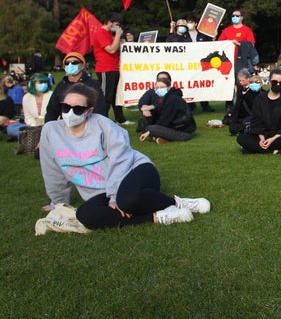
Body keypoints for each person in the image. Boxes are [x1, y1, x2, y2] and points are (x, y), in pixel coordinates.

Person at [39, 83, 210, 229]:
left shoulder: (102, 124)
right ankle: (157, 216)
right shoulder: (50, 131)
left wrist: (114, 195)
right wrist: (58, 203)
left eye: (77, 109)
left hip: (134, 170)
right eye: (66, 107)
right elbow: (51, 170)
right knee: (85, 215)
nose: (70, 113)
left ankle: (176, 203)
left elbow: (121, 157)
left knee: (126, 200)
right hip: (101, 191)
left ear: (88, 111)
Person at [236, 68, 281, 154]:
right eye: (275, 82)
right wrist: (262, 138)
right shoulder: (260, 99)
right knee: (241, 138)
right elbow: (256, 121)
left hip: (280, 135)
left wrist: (273, 138)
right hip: (262, 134)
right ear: (269, 82)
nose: (278, 85)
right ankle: (276, 151)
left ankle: (252, 149)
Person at [92, 12, 133, 125]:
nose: (118, 27)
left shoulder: (110, 34)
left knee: (116, 95)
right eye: (116, 24)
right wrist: (118, 36)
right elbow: (111, 49)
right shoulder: (100, 33)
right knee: (106, 96)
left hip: (114, 68)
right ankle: (102, 119)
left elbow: (115, 47)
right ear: (109, 22)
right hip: (105, 68)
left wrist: (120, 42)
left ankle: (120, 118)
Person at [45, 52, 108, 122]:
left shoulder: (92, 85)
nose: (70, 65)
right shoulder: (61, 85)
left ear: (82, 66)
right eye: (67, 63)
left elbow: (100, 109)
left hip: (87, 126)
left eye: (74, 63)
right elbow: (52, 110)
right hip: (65, 126)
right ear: (64, 67)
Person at [138, 77, 196, 144]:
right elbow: (160, 109)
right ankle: (161, 139)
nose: (159, 89)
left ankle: (156, 136)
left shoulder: (172, 99)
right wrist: (149, 109)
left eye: (162, 87)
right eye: (157, 88)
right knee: (153, 126)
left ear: (168, 87)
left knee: (150, 128)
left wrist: (149, 132)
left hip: (183, 133)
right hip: (179, 128)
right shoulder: (170, 97)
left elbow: (164, 121)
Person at [6, 73, 52, 140]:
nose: (43, 84)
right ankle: (37, 134)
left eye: (44, 82)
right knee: (11, 128)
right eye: (40, 83)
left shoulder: (52, 95)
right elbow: (28, 116)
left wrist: (44, 123)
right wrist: (34, 125)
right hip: (32, 126)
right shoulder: (27, 97)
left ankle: (30, 135)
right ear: (33, 84)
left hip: (48, 124)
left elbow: (55, 115)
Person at [227, 69, 261, 136]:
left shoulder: (254, 90)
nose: (241, 82)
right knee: (233, 127)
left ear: (248, 79)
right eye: (240, 80)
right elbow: (237, 105)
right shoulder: (240, 89)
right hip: (240, 117)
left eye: (243, 80)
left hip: (251, 116)